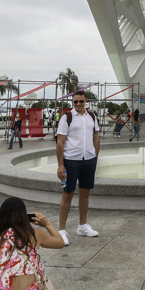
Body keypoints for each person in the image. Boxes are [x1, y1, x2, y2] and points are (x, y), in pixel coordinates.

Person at [55, 92, 100, 245]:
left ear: (86, 101)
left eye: (81, 101)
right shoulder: (67, 117)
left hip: (88, 160)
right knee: (68, 194)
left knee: (85, 193)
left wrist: (95, 156)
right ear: (72, 102)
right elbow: (60, 142)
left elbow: (96, 137)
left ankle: (82, 226)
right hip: (71, 160)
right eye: (75, 102)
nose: (78, 104)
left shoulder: (92, 117)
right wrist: (61, 165)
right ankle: (62, 230)